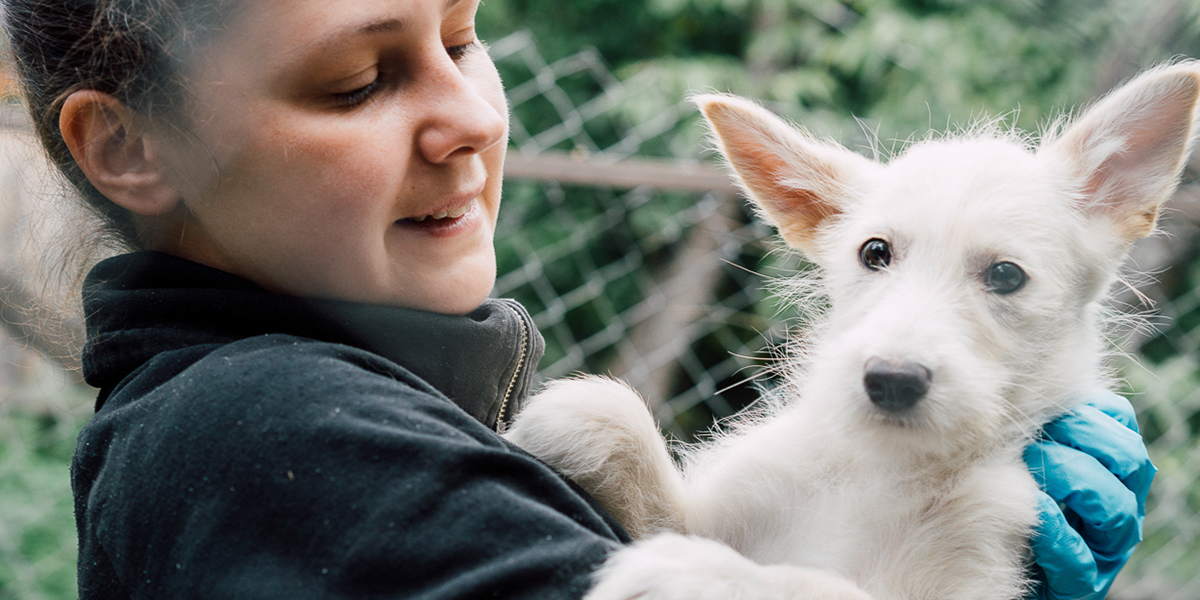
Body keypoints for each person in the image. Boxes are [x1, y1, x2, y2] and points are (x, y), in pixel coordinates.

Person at [0, 0, 1153, 598]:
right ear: (128, 147)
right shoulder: (266, 436)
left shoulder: (353, 404)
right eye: (356, 80)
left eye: (464, 37)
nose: (475, 116)